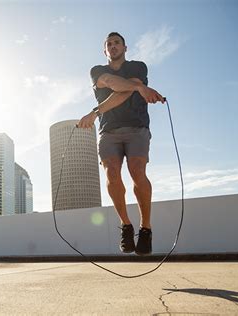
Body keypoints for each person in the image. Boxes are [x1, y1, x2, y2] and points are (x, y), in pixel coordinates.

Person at [78, 32, 165, 255]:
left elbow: (126, 91)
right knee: (112, 174)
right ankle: (126, 225)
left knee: (137, 171)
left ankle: (146, 228)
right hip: (109, 132)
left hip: (137, 128)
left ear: (125, 48)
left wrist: (96, 110)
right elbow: (113, 83)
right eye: (109, 44)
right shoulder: (97, 71)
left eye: (117, 43)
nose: (113, 46)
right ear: (105, 51)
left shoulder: (138, 66)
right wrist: (137, 87)